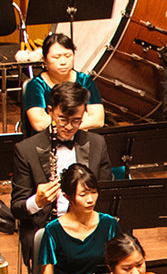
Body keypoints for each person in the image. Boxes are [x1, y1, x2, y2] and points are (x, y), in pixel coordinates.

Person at [11, 82, 113, 255]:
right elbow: (17, 208)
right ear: (50, 111)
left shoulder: (97, 143)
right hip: (47, 228)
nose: (69, 127)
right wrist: (37, 201)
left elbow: (107, 193)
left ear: (84, 113)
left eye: (76, 121)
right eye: (63, 119)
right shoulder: (26, 150)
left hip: (89, 224)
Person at [37, 163, 120, 274]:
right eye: (83, 194)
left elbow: (121, 266)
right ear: (67, 196)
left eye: (94, 192)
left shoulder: (109, 224)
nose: (90, 199)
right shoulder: (53, 231)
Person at [20, 32, 105, 133]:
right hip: (47, 139)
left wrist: (55, 121)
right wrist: (80, 120)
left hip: (80, 138)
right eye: (56, 57)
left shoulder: (84, 80)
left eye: (68, 56)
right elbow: (39, 124)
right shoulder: (36, 85)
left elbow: (98, 120)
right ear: (44, 60)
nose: (63, 62)